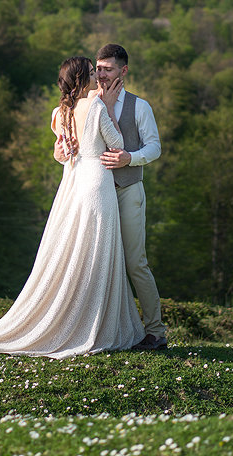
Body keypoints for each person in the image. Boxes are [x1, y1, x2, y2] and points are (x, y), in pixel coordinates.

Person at [0, 56, 143, 359]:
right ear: (80, 80)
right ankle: (91, 321)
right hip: (96, 182)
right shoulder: (98, 107)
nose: (95, 77)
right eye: (91, 73)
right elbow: (116, 143)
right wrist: (111, 107)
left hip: (72, 183)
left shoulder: (60, 112)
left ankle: (73, 313)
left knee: (73, 246)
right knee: (96, 248)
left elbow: (62, 153)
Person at [59, 44, 166, 350]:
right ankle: (95, 329)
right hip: (93, 197)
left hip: (128, 191)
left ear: (124, 71)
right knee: (91, 261)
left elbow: (154, 147)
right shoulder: (86, 102)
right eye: (98, 68)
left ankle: (156, 331)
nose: (102, 74)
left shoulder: (139, 106)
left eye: (107, 69)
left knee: (135, 263)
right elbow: (66, 139)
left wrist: (129, 158)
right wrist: (59, 151)